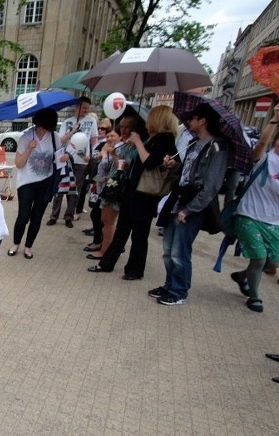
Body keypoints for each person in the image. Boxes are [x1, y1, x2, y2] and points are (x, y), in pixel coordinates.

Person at [149, 102, 229, 306]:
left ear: (203, 121)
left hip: (192, 204)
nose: (189, 122)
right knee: (168, 249)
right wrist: (174, 166)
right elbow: (186, 173)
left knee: (179, 251)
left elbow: (211, 186)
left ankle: (179, 291)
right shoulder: (194, 143)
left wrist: (190, 208)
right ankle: (169, 285)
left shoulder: (217, 147)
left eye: (193, 118)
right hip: (178, 198)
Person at [91, 106, 178, 279]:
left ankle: (134, 270)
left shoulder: (165, 139)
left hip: (146, 194)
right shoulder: (152, 138)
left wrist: (138, 142)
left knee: (139, 234)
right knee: (123, 229)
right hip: (133, 190)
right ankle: (107, 263)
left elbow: (150, 162)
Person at [227, 104, 279, 313]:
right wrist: (275, 118)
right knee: (258, 257)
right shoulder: (265, 157)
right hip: (249, 214)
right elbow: (262, 143)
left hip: (274, 220)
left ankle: (243, 276)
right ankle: (255, 297)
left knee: (272, 261)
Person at [7, 108, 64, 260]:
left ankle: (28, 247)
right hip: (27, 183)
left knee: (37, 217)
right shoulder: (26, 137)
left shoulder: (54, 137)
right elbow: (18, 164)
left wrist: (63, 159)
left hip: (46, 183)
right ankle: (15, 243)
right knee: (23, 216)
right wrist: (29, 149)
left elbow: (58, 159)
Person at [48, 96, 98, 228]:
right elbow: (62, 140)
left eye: (88, 108)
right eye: (84, 108)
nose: (86, 111)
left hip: (82, 161)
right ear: (77, 107)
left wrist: (92, 155)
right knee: (60, 188)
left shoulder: (92, 121)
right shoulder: (67, 122)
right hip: (66, 159)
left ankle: (69, 216)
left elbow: (94, 140)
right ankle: (54, 216)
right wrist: (73, 131)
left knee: (75, 191)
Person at [83, 119, 112, 250]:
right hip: (97, 182)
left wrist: (105, 155)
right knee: (95, 213)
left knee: (102, 216)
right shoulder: (99, 146)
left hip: (108, 186)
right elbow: (90, 160)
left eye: (104, 129)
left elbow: (111, 169)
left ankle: (103, 242)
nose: (100, 130)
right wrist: (77, 150)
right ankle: (98, 240)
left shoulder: (114, 148)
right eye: (99, 128)